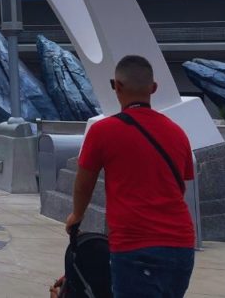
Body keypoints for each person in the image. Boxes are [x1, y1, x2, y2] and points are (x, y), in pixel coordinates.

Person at [66, 55, 195, 298]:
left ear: (117, 86)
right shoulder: (177, 133)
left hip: (135, 245)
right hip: (181, 246)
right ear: (153, 88)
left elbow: (84, 183)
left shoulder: (102, 131)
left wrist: (77, 215)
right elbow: (180, 188)